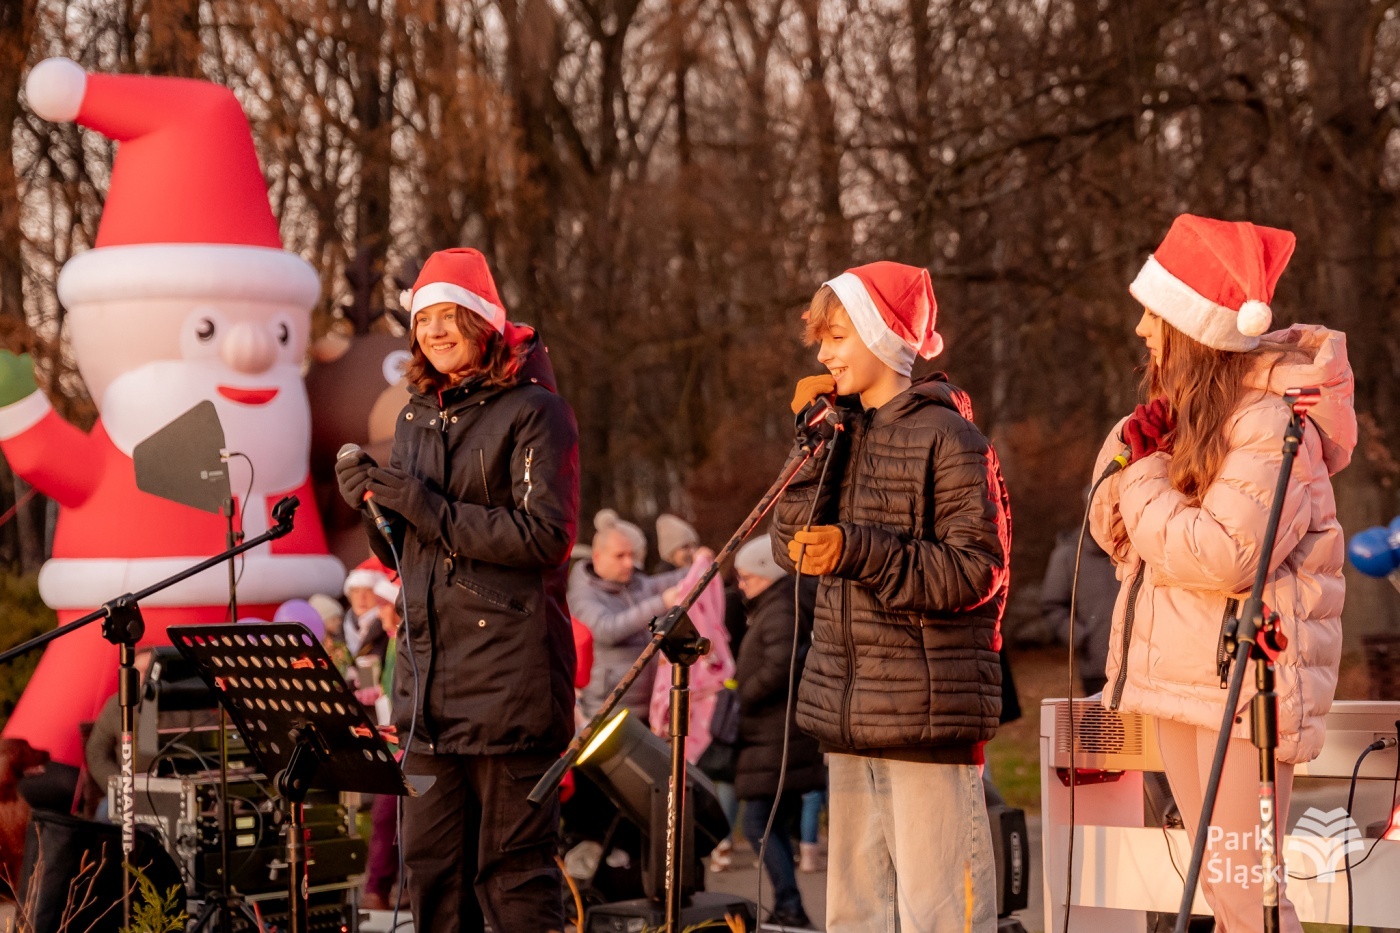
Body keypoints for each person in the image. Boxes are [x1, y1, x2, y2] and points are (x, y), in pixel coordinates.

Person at [1090, 214, 1353, 933]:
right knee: (1222, 885)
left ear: (1193, 327)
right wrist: (1133, 455)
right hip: (1182, 679)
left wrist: (1141, 472)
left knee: (1249, 895)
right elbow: (1114, 530)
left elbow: (1223, 554)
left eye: (1155, 314)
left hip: (1245, 687)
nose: (1143, 330)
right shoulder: (1181, 419)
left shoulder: (1272, 425)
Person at [336, 247, 579, 933]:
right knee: (431, 873)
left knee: (512, 877)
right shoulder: (415, 416)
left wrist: (425, 505)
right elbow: (405, 551)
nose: (435, 330)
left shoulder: (538, 412)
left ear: (485, 320)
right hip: (426, 697)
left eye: (451, 315)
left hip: (510, 686)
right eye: (424, 318)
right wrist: (374, 509)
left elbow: (545, 537)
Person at [771, 261, 1010, 932]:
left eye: (837, 336)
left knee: (939, 912)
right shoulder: (835, 435)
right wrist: (811, 443)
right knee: (855, 912)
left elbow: (975, 570)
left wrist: (859, 550)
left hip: (925, 720)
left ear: (882, 337)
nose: (822, 354)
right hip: (849, 717)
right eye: (820, 339)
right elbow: (787, 540)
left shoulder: (951, 439)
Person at [732, 535, 823, 929]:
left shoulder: (781, 607)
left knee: (757, 824)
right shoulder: (779, 604)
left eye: (746, 578)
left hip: (776, 735)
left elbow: (781, 661)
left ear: (767, 574)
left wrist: (745, 693)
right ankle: (789, 903)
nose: (741, 586)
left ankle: (790, 905)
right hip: (778, 734)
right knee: (771, 823)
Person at [569, 509, 688, 722]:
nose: (628, 563)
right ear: (597, 556)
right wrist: (662, 602)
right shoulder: (582, 595)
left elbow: (668, 581)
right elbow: (607, 629)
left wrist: (702, 564)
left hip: (648, 709)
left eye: (631, 555)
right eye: (619, 556)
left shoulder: (636, 584)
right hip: (608, 711)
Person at [1041, 517, 1118, 696]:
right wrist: (1079, 636)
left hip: (1140, 670)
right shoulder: (1067, 557)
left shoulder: (1137, 550)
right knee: (1104, 723)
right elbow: (1052, 606)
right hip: (1096, 667)